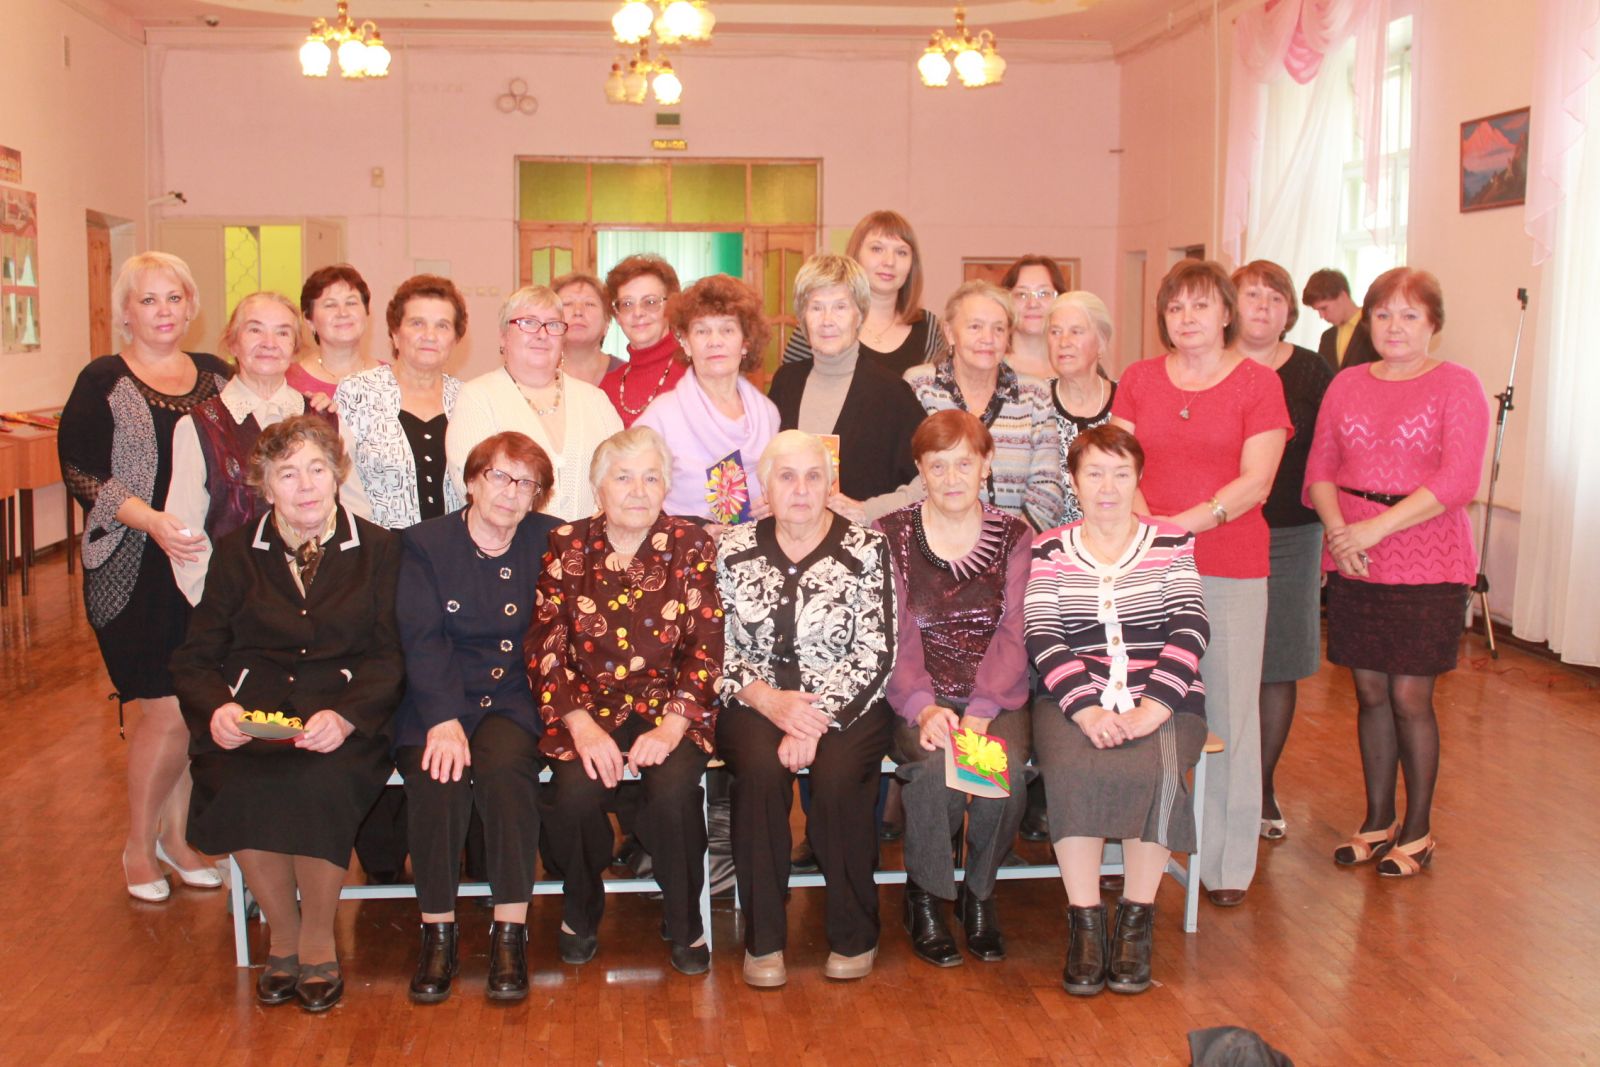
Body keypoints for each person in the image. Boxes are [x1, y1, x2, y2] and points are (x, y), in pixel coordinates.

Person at [169, 415, 403, 1012]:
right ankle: (283, 938)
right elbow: (196, 656)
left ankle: (319, 943)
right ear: (265, 485)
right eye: (288, 473)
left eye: (317, 469)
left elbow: (390, 655)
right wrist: (218, 709)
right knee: (237, 782)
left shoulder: (379, 549)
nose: (305, 486)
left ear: (337, 475)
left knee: (321, 782)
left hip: (341, 717)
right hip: (254, 717)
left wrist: (347, 716)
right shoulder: (235, 553)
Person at [1109, 259, 1289, 908]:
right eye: (1176, 307)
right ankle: (1125, 848)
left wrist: (1178, 525)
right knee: (1131, 703)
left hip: (1229, 563)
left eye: (1201, 305)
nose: (1187, 318)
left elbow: (1257, 481)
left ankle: (1225, 862)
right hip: (1142, 563)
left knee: (1230, 713)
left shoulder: (1258, 383)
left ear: (1226, 314)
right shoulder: (1138, 378)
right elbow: (1118, 463)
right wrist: (1145, 526)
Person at [58, 250, 231, 903]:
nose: (163, 311)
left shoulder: (216, 376)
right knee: (164, 708)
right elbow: (82, 471)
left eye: (174, 298)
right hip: (134, 568)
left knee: (193, 709)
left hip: (204, 567)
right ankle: (137, 844)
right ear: (126, 312)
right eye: (148, 299)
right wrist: (153, 521)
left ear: (191, 307)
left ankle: (176, 839)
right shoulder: (103, 379)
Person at [1306, 267, 1489, 878]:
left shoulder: (1457, 384)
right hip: (1354, 553)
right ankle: (1377, 819)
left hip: (1428, 557)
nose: (1395, 326)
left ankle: (1418, 830)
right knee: (1369, 692)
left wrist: (1373, 531)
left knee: (1410, 696)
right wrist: (1341, 534)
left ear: (1434, 323)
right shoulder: (1347, 383)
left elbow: (1457, 481)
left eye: (1410, 315)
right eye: (1383, 313)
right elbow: (1320, 469)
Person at [531, 426, 724, 974]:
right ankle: (581, 906)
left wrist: (672, 727)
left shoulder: (690, 542)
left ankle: (684, 918)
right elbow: (545, 643)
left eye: (650, 478)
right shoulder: (566, 544)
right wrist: (580, 725)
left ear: (666, 487)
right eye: (623, 478)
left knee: (673, 792)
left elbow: (707, 643)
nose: (638, 490)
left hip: (670, 706)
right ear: (599, 488)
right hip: (586, 706)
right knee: (574, 794)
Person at [1027, 424, 1210, 997]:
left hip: (1167, 699)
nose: (1107, 487)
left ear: (1138, 479)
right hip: (1070, 699)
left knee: (1156, 770)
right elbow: (1043, 634)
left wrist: (1155, 707)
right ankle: (1085, 926)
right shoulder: (1049, 547)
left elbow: (1190, 627)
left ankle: (1135, 924)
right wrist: (1086, 710)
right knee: (1071, 769)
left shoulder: (1172, 541)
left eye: (1121, 474)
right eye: (1094, 474)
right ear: (1074, 481)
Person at [715, 430, 898, 988]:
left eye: (813, 477)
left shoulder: (866, 548)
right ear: (765, 487)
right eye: (787, 477)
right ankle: (764, 940)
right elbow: (711, 643)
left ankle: (854, 933)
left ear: (830, 484)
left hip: (847, 702)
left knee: (839, 777)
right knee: (760, 772)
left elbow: (877, 649)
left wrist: (814, 720)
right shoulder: (731, 548)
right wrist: (769, 702)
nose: (800, 489)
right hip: (753, 699)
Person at [395, 431, 561, 1004]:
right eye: (500, 476)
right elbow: (421, 638)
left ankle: (510, 933)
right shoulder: (425, 543)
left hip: (515, 694)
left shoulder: (552, 539)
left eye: (526, 484)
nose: (512, 493)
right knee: (437, 776)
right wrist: (442, 718)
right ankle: (437, 934)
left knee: (507, 771)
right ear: (471, 480)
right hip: (438, 694)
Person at [877, 411, 1032, 968]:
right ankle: (924, 896)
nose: (951, 478)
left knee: (1002, 776)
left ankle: (979, 894)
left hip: (995, 695)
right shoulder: (891, 534)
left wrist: (982, 711)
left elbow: (1015, 630)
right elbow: (893, 631)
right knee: (935, 773)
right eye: (937, 465)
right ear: (920, 470)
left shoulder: (1015, 536)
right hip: (917, 695)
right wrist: (923, 707)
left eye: (964, 463)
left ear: (986, 465)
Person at [1230, 261, 1334, 841]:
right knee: (1213, 664)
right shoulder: (1210, 364)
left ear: (1289, 311)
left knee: (1279, 664)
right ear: (1231, 305)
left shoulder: (1313, 370)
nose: (1263, 307)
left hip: (1292, 534)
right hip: (1218, 531)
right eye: (1252, 296)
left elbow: (1328, 453)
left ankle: (1261, 786)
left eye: (1275, 298)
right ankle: (1213, 783)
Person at [170, 292, 328, 605]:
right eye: (255, 329)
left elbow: (352, 515)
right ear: (232, 343)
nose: (269, 342)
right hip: (235, 603)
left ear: (295, 348)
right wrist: (213, 602)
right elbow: (184, 530)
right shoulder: (198, 427)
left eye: (282, 332)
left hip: (321, 601)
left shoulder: (325, 418)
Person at [767, 254, 927, 522]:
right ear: (803, 317)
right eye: (816, 308)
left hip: (862, 543)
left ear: (859, 314)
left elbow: (932, 475)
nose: (827, 320)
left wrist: (869, 510)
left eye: (840, 307)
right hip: (789, 539)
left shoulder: (892, 393)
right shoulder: (786, 382)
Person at [446, 285, 623, 521]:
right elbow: (472, 488)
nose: (542, 334)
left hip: (590, 543)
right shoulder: (478, 397)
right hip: (510, 542)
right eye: (528, 323)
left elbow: (623, 478)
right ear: (503, 335)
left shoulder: (595, 400)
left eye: (553, 325)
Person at [904, 281, 1064, 532]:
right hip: (933, 542)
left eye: (998, 329)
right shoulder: (919, 386)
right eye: (975, 327)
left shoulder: (1034, 395)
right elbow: (911, 477)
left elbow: (1048, 490)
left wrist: (1004, 545)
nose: (988, 339)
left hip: (1016, 547)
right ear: (949, 333)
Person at [636, 273, 780, 531]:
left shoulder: (768, 414)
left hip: (760, 550)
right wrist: (693, 531)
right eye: (702, 331)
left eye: (727, 330)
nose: (715, 341)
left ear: (745, 343)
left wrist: (776, 504)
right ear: (686, 342)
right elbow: (633, 497)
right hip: (683, 550)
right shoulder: (660, 417)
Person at [337, 274, 467, 530]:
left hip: (452, 548)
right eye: (417, 323)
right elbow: (341, 483)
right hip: (377, 546)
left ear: (455, 339)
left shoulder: (467, 398)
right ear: (395, 333)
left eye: (442, 326)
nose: (429, 335)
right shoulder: (356, 392)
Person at [781, 210, 949, 375]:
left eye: (901, 252)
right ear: (856, 255)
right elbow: (789, 386)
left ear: (912, 264)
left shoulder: (930, 329)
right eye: (877, 249)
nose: (889, 261)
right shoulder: (821, 322)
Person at [1046, 291, 1118, 525]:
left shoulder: (1127, 401)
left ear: (1101, 342)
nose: (1064, 342)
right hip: (1049, 541)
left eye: (1076, 332)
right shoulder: (1034, 402)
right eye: (1055, 332)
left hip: (1118, 538)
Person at [600, 255, 688, 425]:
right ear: (617, 316)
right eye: (627, 304)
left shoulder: (696, 374)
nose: (638, 313)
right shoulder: (607, 388)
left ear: (671, 307)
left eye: (650, 302)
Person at [290, 264, 377, 400]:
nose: (343, 313)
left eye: (351, 303)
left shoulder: (393, 378)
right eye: (330, 305)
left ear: (366, 312)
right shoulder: (290, 381)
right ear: (309, 320)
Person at [1001, 255, 1069, 381]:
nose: (1032, 304)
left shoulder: (1078, 368)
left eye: (1044, 293)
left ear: (1060, 300)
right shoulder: (988, 369)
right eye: (1022, 294)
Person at [553, 271, 624, 386]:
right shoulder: (534, 375)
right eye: (567, 303)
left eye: (589, 304)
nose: (578, 311)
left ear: (607, 322)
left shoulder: (627, 376)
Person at [1302, 268, 1379, 371]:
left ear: (1343, 296)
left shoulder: (1374, 327)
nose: (1321, 316)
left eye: (1324, 308)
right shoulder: (1327, 337)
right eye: (1317, 310)